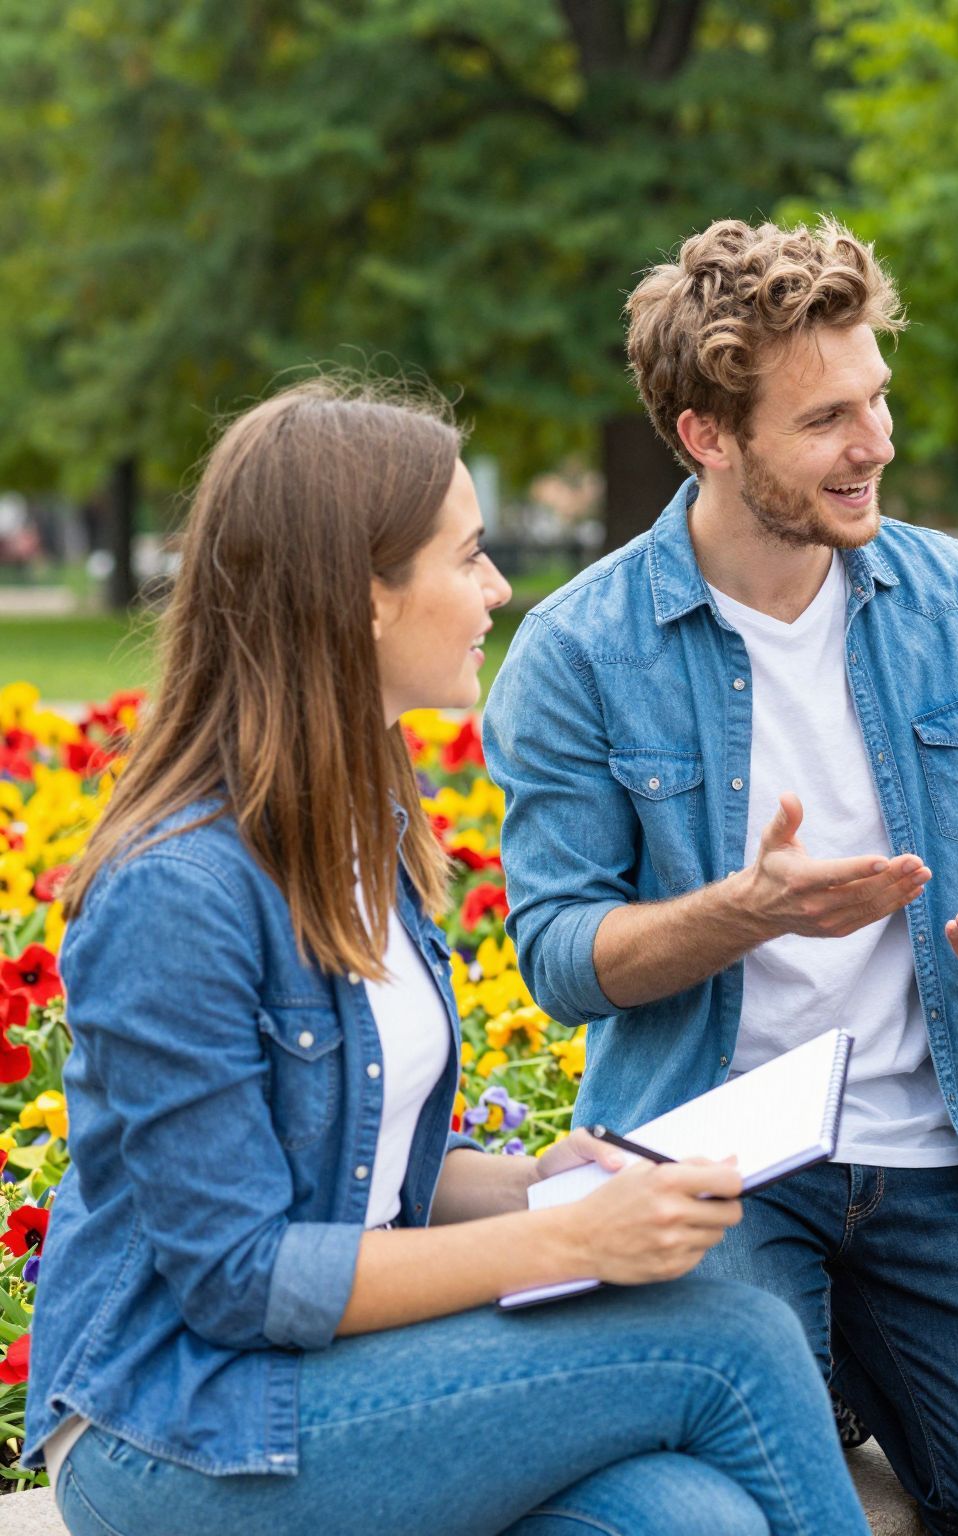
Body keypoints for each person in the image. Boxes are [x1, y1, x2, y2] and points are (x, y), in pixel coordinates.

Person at [26, 381, 867, 1536]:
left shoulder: (362, 822)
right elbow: (238, 1277)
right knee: (735, 1337)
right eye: (467, 558)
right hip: (178, 1430)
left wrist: (537, 1184)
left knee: (691, 1522)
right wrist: (563, 1240)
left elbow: (367, 1167)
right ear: (363, 597)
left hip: (336, 1384)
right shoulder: (176, 892)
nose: (497, 590)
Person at [483, 218, 958, 1535]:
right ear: (710, 435)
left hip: (933, 1159)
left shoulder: (949, 597)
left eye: (875, 399)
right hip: (721, 1166)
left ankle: (854, 1367)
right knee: (783, 1502)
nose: (875, 442)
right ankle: (827, 1374)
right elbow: (557, 958)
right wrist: (740, 915)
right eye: (826, 419)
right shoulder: (581, 651)